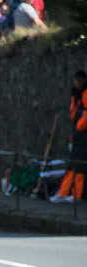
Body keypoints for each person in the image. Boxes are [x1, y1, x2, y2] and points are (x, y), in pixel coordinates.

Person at [51, 71, 87, 203]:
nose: (77, 82)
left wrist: (79, 126)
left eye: (79, 80)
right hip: (77, 133)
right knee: (72, 164)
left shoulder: (85, 94)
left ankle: (77, 195)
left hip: (83, 133)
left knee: (80, 166)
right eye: (75, 80)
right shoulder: (76, 94)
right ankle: (64, 191)